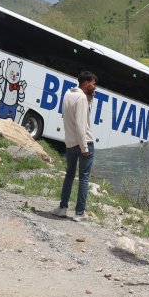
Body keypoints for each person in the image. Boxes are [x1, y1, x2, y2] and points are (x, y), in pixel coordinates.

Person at [54, 71, 97, 221]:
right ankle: (79, 213)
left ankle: (62, 207)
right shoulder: (81, 98)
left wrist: (90, 100)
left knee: (69, 175)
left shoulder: (68, 94)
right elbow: (80, 125)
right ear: (85, 83)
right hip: (84, 143)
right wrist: (84, 147)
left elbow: (72, 116)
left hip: (70, 143)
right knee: (84, 178)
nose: (95, 87)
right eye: (93, 84)